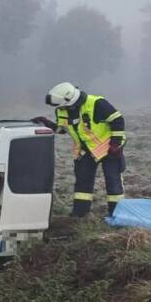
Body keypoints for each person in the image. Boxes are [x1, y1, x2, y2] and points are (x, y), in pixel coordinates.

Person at [33, 82, 126, 217]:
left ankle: (117, 214)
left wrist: (115, 144)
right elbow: (63, 129)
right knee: (83, 183)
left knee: (113, 182)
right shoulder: (62, 109)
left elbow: (118, 120)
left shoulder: (97, 103)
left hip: (109, 148)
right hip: (85, 150)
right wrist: (48, 123)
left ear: (69, 100)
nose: (59, 108)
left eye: (61, 105)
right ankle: (80, 215)